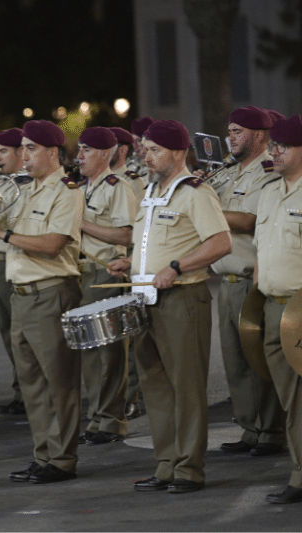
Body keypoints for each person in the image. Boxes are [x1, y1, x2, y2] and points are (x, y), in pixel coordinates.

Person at [108, 120, 232, 494]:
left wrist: (177, 267)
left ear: (178, 153)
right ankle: (166, 464)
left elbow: (220, 243)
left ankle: (189, 469)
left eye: (154, 150)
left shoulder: (195, 192)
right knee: (156, 386)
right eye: (145, 149)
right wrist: (132, 263)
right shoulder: (150, 191)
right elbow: (155, 242)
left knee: (186, 387)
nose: (146, 156)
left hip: (182, 299)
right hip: (147, 297)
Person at [0, 119, 84, 484]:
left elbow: (54, 244)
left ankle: (63, 458)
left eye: (31, 149)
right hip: (23, 295)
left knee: (59, 382)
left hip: (51, 292)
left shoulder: (66, 191)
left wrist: (4, 233)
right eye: (22, 148)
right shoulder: (27, 190)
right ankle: (44, 454)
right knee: (33, 384)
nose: (24, 156)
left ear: (52, 152)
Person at [207, 106, 285, 457]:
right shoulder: (229, 171)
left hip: (251, 278)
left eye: (237, 131)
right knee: (235, 361)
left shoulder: (267, 170)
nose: (231, 137)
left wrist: (202, 210)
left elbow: (250, 220)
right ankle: (250, 428)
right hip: (225, 279)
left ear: (259, 135)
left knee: (258, 359)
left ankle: (270, 431)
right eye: (229, 131)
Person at [76, 127, 136, 445]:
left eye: (85, 150)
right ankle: (97, 417)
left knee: (110, 352)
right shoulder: (82, 188)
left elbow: (127, 236)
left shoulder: (117, 187)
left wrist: (80, 222)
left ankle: (112, 420)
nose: (79, 156)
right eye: (79, 149)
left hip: (107, 274)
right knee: (90, 352)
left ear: (104, 154)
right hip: (82, 274)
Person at [254, 115, 302, 504]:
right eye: (273, 145)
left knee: (300, 398)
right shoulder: (269, 191)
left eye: (283, 146)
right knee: (290, 398)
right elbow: (260, 250)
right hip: (272, 308)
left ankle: (301, 478)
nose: (275, 152)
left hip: (300, 310)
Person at [0, 128, 30, 416]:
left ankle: (30, 393)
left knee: (21, 333)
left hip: (15, 260)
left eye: (3, 151)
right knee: (6, 332)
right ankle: (20, 390)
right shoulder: (1, 184)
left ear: (19, 153)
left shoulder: (27, 185)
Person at [108, 126, 145, 420]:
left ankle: (131, 394)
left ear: (122, 150)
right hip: (101, 266)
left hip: (124, 264)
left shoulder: (132, 183)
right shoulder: (89, 183)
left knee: (127, 336)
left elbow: (136, 230)